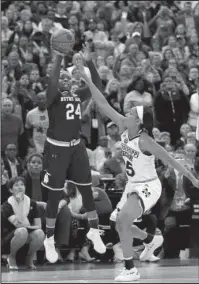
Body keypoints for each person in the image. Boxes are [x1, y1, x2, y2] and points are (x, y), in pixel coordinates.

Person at [76, 59, 199, 282]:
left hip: (148, 185)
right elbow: (102, 103)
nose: (127, 113)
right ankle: (151, 239)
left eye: (132, 112)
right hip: (133, 185)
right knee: (119, 223)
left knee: (123, 221)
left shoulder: (146, 141)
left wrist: (193, 177)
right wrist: (87, 79)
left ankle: (130, 268)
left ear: (139, 122)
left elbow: (171, 160)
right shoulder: (124, 126)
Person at [41, 44, 106, 264]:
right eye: (62, 78)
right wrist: (59, 57)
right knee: (54, 195)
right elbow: (51, 82)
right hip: (56, 148)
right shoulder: (52, 96)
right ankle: (49, 239)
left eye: (68, 78)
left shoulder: (77, 94)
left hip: (76, 146)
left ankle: (94, 231)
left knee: (87, 191)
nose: (66, 80)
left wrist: (89, 63)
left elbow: (97, 86)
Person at [1, 176, 45, 270]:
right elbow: (18, 224)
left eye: (22, 185)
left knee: (40, 233)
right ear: (10, 190)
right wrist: (19, 203)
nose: (20, 187)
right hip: (10, 237)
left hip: (26, 233)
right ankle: (11, 257)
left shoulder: (32, 203)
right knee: (22, 231)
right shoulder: (6, 205)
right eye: (16, 185)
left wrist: (30, 227)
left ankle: (29, 257)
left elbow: (39, 225)